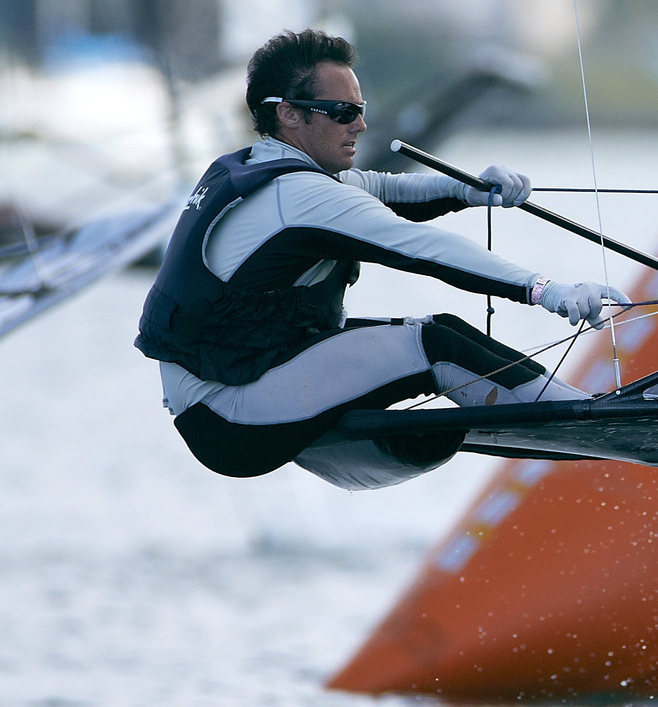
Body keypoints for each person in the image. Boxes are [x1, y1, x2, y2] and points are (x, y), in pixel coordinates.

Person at [136, 29, 628, 489]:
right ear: (288, 113)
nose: (361, 124)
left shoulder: (266, 168)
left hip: (237, 390)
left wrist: (470, 188)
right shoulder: (298, 196)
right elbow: (422, 249)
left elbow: (387, 189)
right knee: (436, 344)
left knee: (446, 332)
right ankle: (599, 420)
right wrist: (546, 290)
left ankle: (588, 408)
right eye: (342, 111)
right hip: (231, 414)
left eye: (360, 108)